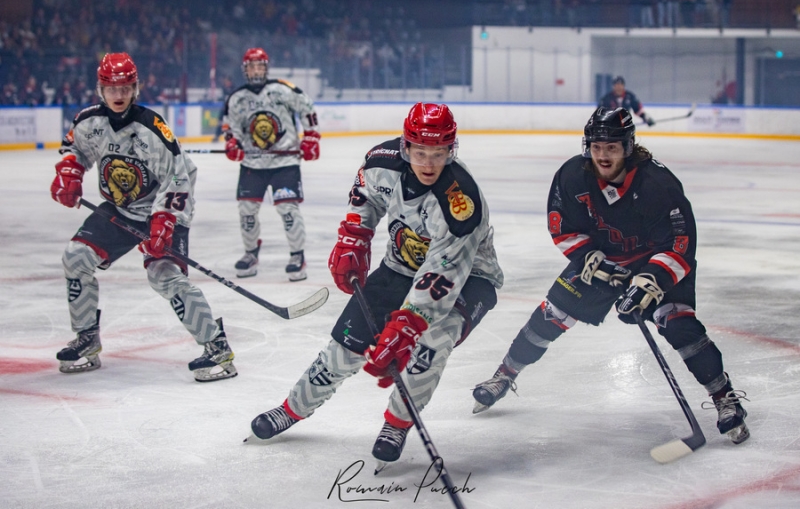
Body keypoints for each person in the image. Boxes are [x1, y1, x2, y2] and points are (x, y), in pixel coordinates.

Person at [246, 103, 504, 469]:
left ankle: (397, 423)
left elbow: (443, 272)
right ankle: (292, 408)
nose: (428, 163)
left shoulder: (460, 202)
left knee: (430, 343)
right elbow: (365, 200)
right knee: (345, 345)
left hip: (468, 280)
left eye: (438, 154)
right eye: (420, 153)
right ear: (405, 147)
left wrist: (408, 323)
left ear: (451, 150)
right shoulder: (380, 163)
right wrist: (355, 237)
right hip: (401, 267)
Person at [471, 107, 750, 446]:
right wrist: (589, 258)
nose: (603, 155)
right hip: (603, 261)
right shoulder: (573, 175)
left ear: (628, 147)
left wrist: (651, 280)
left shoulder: (657, 184)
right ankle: (504, 375)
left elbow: (680, 242)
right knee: (551, 314)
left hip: (655, 262)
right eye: (597, 146)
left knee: (676, 322)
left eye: (612, 147)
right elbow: (562, 226)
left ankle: (724, 397)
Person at [50, 52, 237, 383]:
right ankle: (86, 339)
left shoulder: (152, 127)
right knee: (76, 258)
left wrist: (164, 221)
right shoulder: (88, 122)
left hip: (162, 210)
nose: (118, 95)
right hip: (120, 209)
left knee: (164, 276)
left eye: (125, 88)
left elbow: (179, 177)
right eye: (111, 89)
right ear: (101, 90)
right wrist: (70, 171)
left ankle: (216, 347)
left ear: (135, 88)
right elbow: (73, 148)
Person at [221, 47, 321, 281]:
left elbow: (307, 108)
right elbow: (230, 128)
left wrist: (311, 136)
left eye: (260, 66)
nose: (256, 70)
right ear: (245, 70)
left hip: (284, 161)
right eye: (252, 66)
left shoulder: (282, 90)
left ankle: (297, 256)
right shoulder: (237, 98)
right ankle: (250, 254)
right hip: (252, 163)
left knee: (288, 210)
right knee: (246, 211)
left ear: (266, 68)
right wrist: (232, 144)